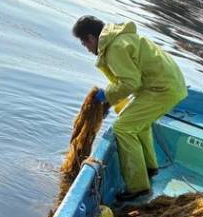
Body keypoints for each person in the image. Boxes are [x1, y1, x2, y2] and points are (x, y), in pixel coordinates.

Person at [73, 15, 187, 199]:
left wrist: (106, 95)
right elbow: (131, 80)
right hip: (168, 84)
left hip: (161, 89)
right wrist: (110, 98)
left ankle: (138, 186)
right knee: (138, 123)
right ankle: (150, 168)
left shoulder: (115, 47)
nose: (86, 49)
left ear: (91, 38)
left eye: (84, 44)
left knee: (123, 128)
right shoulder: (120, 38)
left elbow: (130, 82)